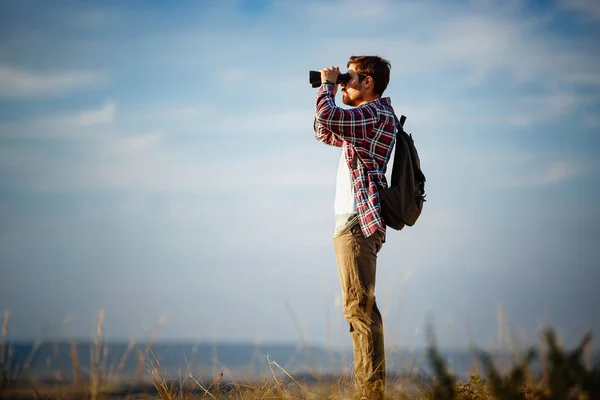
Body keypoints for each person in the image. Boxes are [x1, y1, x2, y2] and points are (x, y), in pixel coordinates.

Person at [313, 55, 396, 400]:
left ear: (369, 83)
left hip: (357, 224)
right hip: (353, 223)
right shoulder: (364, 120)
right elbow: (323, 131)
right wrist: (332, 90)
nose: (346, 83)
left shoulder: (375, 113)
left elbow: (326, 114)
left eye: (352, 78)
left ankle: (370, 393)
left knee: (359, 310)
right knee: (359, 308)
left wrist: (328, 87)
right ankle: (370, 390)